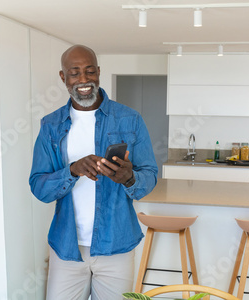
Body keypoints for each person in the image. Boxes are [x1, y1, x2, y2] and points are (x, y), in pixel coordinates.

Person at [29, 44, 158, 300]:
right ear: (63, 77)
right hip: (67, 247)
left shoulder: (129, 119)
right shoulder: (51, 126)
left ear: (99, 72)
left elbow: (150, 175)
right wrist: (73, 170)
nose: (84, 79)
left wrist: (130, 178)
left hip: (116, 245)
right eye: (74, 72)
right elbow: (39, 187)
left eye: (90, 71)